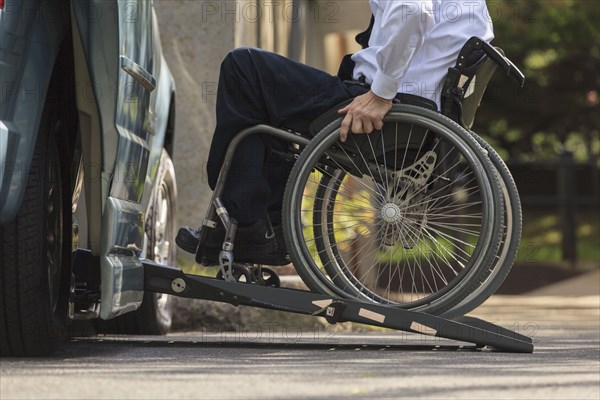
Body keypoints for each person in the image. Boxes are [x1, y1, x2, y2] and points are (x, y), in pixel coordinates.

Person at [177, 0, 494, 265]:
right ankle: (265, 229)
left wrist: (381, 94)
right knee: (271, 102)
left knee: (243, 67)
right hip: (416, 117)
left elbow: (412, 12)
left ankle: (245, 225)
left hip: (391, 110)